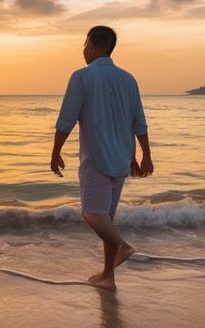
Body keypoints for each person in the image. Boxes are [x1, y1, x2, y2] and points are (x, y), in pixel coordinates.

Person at [50, 26, 153, 291]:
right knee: (106, 217)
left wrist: (55, 151)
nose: (83, 50)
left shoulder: (82, 77)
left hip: (95, 159)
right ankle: (108, 276)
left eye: (84, 44)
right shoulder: (128, 79)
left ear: (93, 46)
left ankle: (122, 246)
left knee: (92, 214)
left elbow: (67, 119)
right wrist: (144, 156)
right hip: (121, 159)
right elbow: (138, 122)